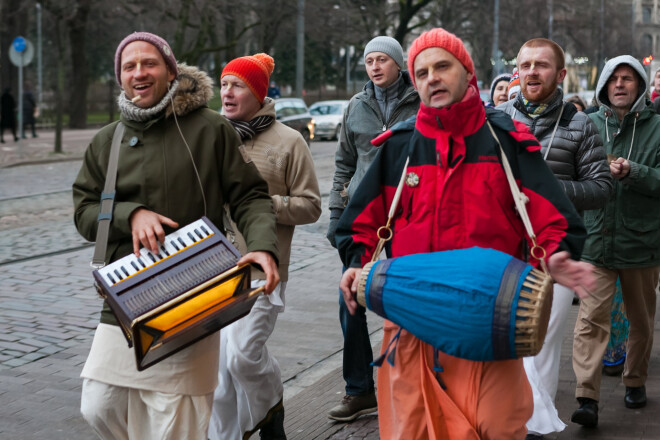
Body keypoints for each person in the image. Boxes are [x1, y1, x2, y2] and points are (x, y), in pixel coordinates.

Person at [336, 28, 595, 440]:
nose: (431, 78)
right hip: (412, 326)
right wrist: (357, 265)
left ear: (467, 73)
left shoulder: (506, 141)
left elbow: (555, 219)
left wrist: (556, 254)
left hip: (487, 324)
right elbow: (356, 225)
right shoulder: (400, 147)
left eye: (442, 67)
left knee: (498, 427)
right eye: (421, 72)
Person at [73, 32, 280, 440]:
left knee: (175, 423)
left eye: (148, 63)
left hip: (195, 293)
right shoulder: (105, 141)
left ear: (170, 70)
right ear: (120, 78)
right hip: (126, 296)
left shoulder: (210, 129)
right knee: (99, 404)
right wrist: (130, 216)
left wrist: (261, 247)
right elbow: (84, 210)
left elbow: (250, 195)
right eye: (128, 66)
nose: (139, 73)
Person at [497, 37, 612, 440]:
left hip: (555, 250)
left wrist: (551, 190)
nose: (532, 72)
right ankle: (507, 419)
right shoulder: (497, 119)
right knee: (504, 341)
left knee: (542, 342)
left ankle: (534, 428)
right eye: (525, 64)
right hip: (503, 250)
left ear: (559, 74)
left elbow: (601, 189)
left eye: (541, 65)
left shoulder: (580, 124)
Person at [208, 53, 321, 440]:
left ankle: (270, 406)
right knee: (218, 372)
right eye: (223, 84)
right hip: (212, 271)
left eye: (237, 85)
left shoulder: (289, 141)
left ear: (258, 93)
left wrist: (261, 204)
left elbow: (310, 205)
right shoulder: (212, 136)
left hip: (264, 272)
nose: (227, 92)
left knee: (242, 356)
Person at [326, 35, 420, 422]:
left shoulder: (420, 104)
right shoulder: (356, 106)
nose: (376, 67)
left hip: (409, 215)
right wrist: (336, 214)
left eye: (383, 59)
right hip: (364, 218)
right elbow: (344, 164)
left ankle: (411, 385)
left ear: (399, 63)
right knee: (350, 303)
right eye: (369, 61)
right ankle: (359, 390)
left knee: (406, 303)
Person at [571, 55, 660, 428]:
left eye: (628, 79)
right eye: (614, 79)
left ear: (639, 86)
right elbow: (571, 175)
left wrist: (634, 172)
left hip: (641, 242)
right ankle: (586, 396)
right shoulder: (586, 123)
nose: (620, 84)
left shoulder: (658, 127)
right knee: (590, 319)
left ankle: (635, 380)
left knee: (640, 320)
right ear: (605, 85)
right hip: (595, 239)